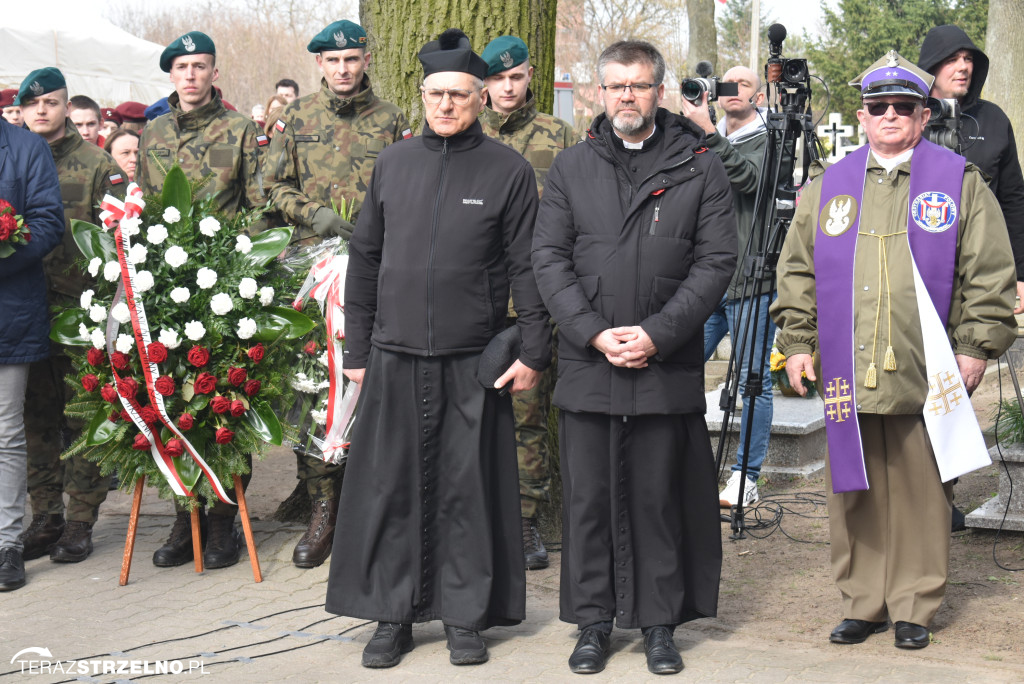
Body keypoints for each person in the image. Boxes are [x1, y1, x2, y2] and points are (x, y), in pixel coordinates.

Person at [771, 51, 1015, 650]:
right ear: (862, 115)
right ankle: (864, 600)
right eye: (878, 107)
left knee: (922, 489)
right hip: (846, 367)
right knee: (853, 487)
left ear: (923, 115)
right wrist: (798, 343)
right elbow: (797, 271)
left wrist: (977, 348)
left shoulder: (959, 181)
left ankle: (914, 603)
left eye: (903, 108)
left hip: (925, 365)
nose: (889, 117)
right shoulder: (830, 185)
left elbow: (989, 274)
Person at [327, 28, 550, 669]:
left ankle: (464, 616)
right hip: (393, 355)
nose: (445, 105)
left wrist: (534, 349)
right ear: (422, 96)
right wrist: (359, 350)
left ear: (481, 99)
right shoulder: (392, 164)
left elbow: (529, 267)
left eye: (457, 95)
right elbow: (364, 260)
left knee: (467, 491)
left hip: (471, 358)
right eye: (435, 94)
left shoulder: (506, 171)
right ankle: (391, 616)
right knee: (389, 488)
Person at [532, 40, 735, 675]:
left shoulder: (701, 167)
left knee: (656, 499)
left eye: (640, 85)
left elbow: (715, 262)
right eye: (616, 85)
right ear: (599, 92)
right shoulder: (571, 168)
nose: (628, 96)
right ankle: (592, 622)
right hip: (590, 365)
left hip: (664, 363)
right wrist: (593, 333)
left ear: (658, 90)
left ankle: (658, 624)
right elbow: (549, 260)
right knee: (589, 500)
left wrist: (657, 334)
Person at [265, 20, 409, 569]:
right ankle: (323, 506)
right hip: (313, 273)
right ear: (319, 66)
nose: (343, 69)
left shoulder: (393, 118)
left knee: (375, 381)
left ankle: (374, 509)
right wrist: (316, 214)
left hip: (378, 273)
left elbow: (409, 184)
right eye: (333, 60)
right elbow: (270, 187)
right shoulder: (295, 120)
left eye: (352, 58)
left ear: (367, 59)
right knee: (316, 389)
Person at [139, 31, 266, 570]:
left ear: (215, 72)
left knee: (224, 400)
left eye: (201, 66)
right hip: (167, 287)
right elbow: (144, 207)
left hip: (224, 287)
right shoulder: (152, 132)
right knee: (172, 401)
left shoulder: (239, 129)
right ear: (171, 74)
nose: (191, 75)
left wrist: (240, 266)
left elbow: (259, 205)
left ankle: (222, 521)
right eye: (182, 66)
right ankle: (182, 513)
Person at [14, 67, 125, 564]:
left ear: (65, 108)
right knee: (34, 419)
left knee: (84, 418)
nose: (43, 111)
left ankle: (80, 519)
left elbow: (122, 240)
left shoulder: (98, 164)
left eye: (52, 103)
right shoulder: (12, 157)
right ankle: (46, 516)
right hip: (26, 310)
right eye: (33, 104)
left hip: (81, 312)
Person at [918, 25, 1024, 530]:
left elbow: (1014, 200)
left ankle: (941, 495)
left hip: (975, 278)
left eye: (969, 59)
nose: (962, 66)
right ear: (931, 65)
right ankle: (908, 492)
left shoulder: (994, 120)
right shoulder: (903, 113)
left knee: (954, 389)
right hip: (913, 277)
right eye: (951, 59)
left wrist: (1020, 273)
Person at [478, 34, 576, 571]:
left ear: (530, 75)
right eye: (497, 78)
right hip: (471, 298)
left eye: (516, 77)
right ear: (484, 84)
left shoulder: (559, 136)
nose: (507, 87)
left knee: (527, 414)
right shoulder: (468, 133)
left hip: (533, 301)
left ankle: (527, 519)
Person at [682, 66, 773, 507]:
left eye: (744, 85)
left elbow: (750, 181)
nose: (732, 91)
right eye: (726, 84)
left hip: (749, 281)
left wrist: (707, 135)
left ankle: (745, 476)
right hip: (703, 281)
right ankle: (681, 460)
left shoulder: (769, 140)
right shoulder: (704, 133)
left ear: (759, 96)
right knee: (676, 364)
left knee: (754, 380)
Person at [0, 116, 65, 592]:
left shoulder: (26, 148)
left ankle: (6, 547)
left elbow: (47, 223)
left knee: (5, 433)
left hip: (9, 311)